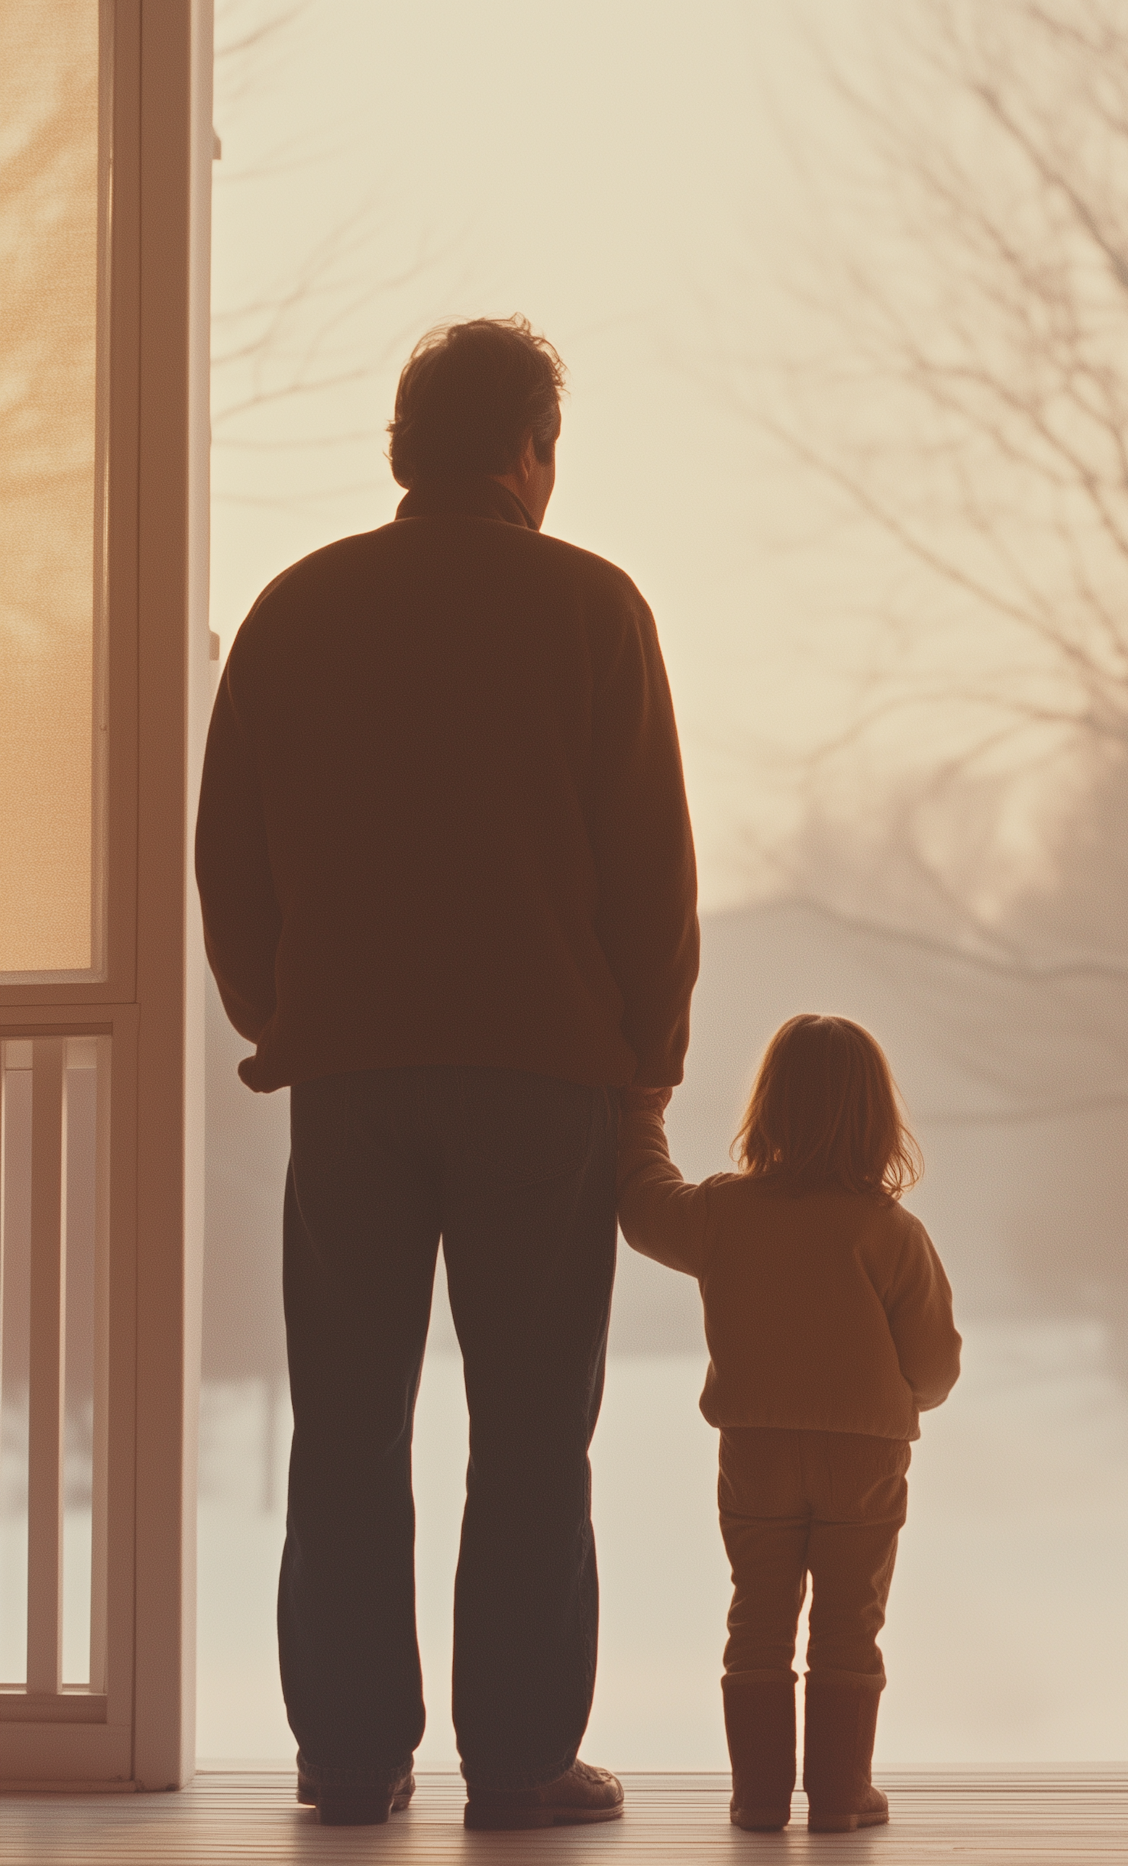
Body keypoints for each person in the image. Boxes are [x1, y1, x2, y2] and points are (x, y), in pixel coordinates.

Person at [195, 317, 699, 1830]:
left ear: (404, 448)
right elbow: (647, 869)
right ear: (532, 448)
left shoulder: (298, 608)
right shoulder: (595, 608)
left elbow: (231, 854)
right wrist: (649, 1066)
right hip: (542, 1071)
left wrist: (285, 1010)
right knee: (534, 1421)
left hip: (351, 1068)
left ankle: (350, 1753)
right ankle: (523, 1755)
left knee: (346, 1417)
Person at [616, 1014, 961, 1833]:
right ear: (879, 1119)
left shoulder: (725, 1214)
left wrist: (640, 1113)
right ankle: (842, 1794)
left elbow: (640, 1205)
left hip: (756, 1450)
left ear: (766, 1108)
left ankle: (760, 1796)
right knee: (850, 1621)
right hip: (866, 1457)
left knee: (759, 1617)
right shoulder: (890, 1232)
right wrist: (903, 1397)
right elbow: (937, 1363)